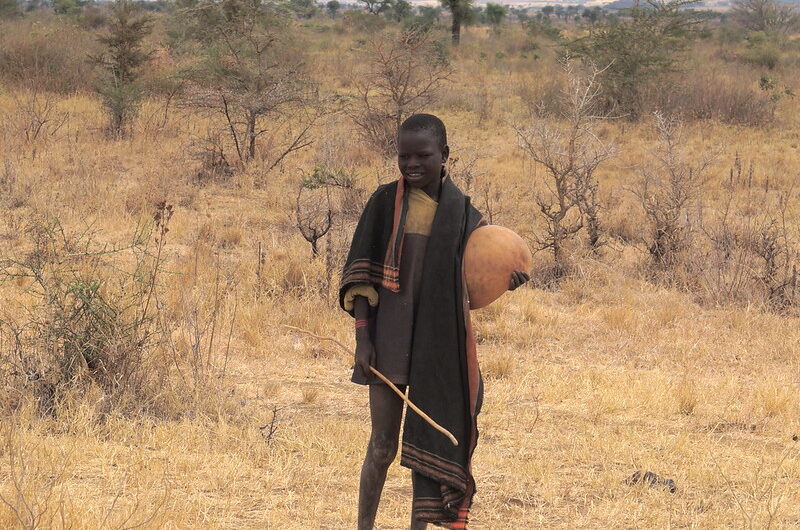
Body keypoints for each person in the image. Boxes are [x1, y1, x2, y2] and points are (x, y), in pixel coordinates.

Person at [339, 114, 529, 529]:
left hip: (437, 346)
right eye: (403, 155)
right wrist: (362, 340)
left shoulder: (463, 216)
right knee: (381, 447)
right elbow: (362, 275)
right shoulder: (383, 203)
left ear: (445, 156)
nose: (411, 164)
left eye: (422, 155)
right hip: (387, 340)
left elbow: (479, 273)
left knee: (428, 450)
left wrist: (505, 278)